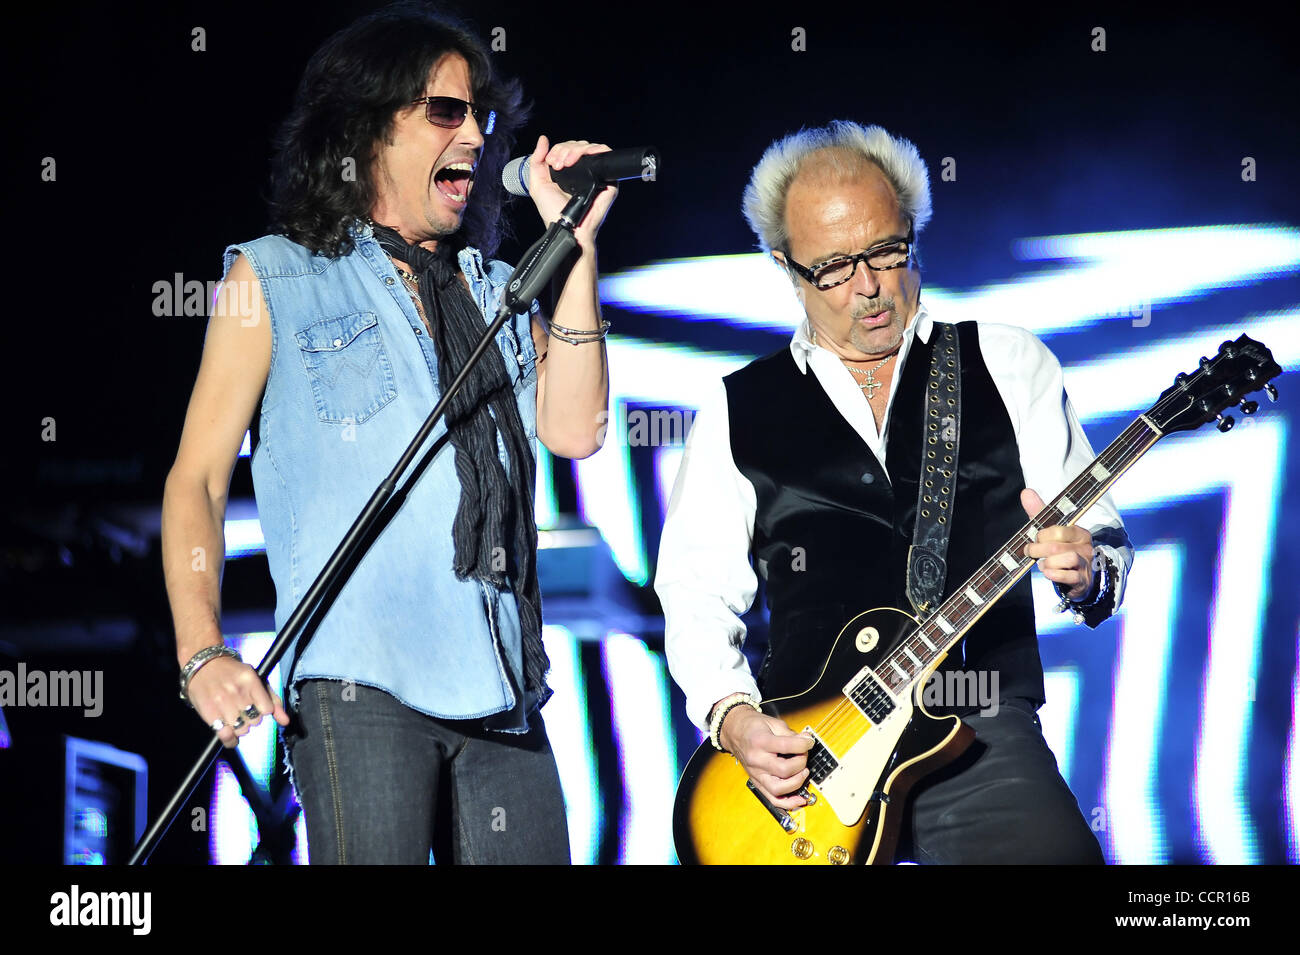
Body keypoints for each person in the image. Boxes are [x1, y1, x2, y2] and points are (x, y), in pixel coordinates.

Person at [160, 3, 616, 864]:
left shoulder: (498, 290)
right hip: (359, 682)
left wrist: (577, 247)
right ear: (367, 130)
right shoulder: (275, 275)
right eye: (446, 111)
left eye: (481, 113)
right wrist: (201, 652)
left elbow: (574, 430)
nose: (476, 133)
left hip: (506, 690)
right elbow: (200, 480)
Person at [655, 120, 1133, 864]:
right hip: (808, 758)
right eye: (835, 267)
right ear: (786, 266)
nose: (869, 285)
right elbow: (694, 589)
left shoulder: (1007, 362)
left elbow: (1097, 544)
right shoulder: (736, 406)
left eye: (886, 250)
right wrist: (734, 718)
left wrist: (1086, 569)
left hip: (975, 722)